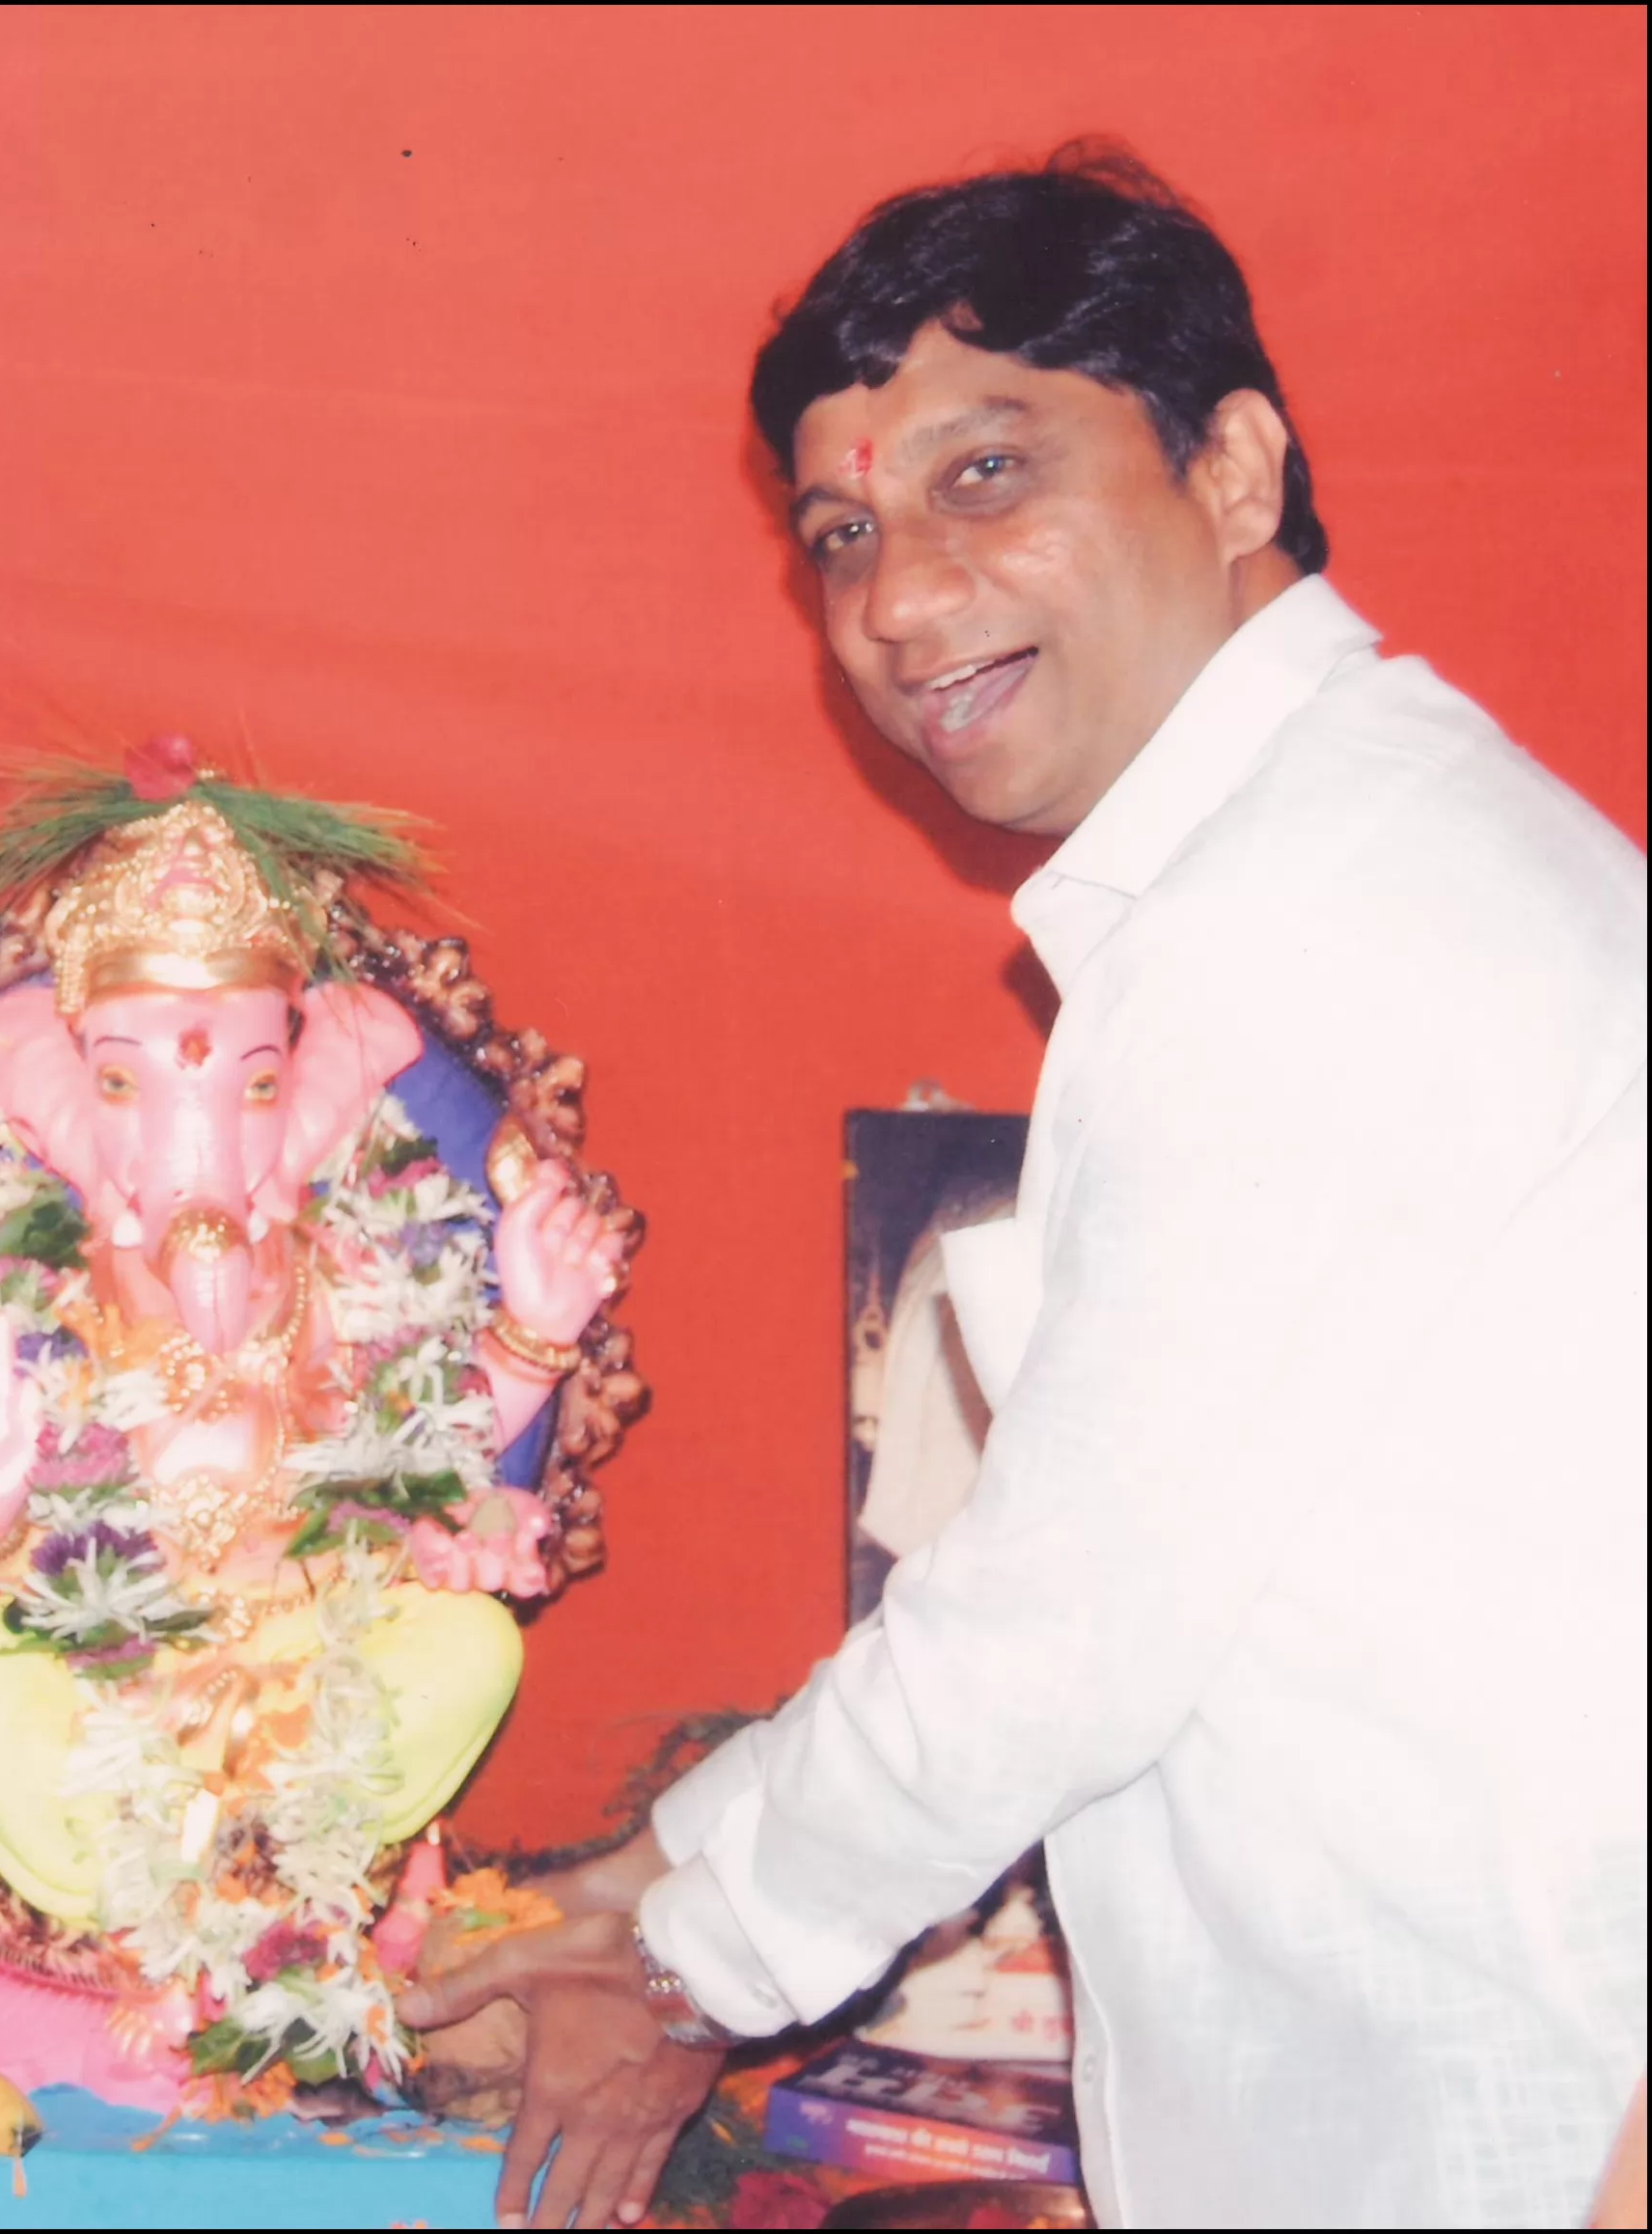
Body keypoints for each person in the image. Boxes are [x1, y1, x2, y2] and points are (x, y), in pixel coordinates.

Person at [397, 150, 1647, 2230]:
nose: (897, 601)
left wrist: (684, 1968)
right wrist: (645, 1879)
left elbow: (1067, 1622)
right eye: (842, 533)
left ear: (1234, 470)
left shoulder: (1317, 913)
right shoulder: (1316, 850)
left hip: (1513, 2114)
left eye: (988, 477)